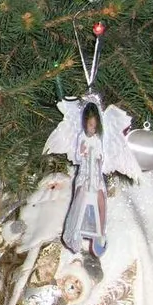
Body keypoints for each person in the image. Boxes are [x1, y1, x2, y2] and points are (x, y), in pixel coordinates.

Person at [61, 102, 108, 259]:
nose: (92, 129)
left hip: (96, 175)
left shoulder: (98, 139)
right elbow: (77, 157)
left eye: (95, 126)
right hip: (84, 174)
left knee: (100, 198)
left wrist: (99, 158)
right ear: (85, 123)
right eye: (90, 125)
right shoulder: (81, 137)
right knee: (81, 195)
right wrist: (81, 153)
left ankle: (101, 232)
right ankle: (75, 229)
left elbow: (101, 156)